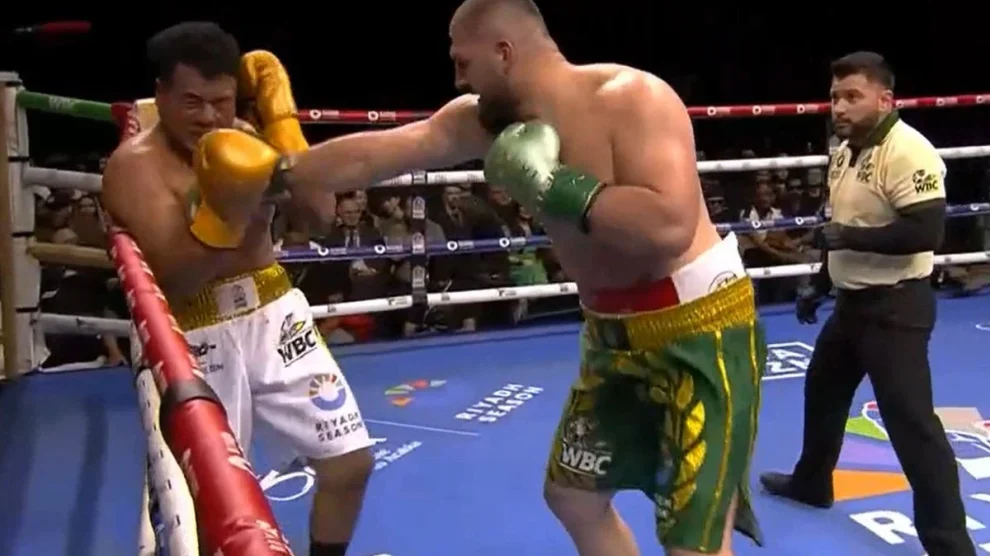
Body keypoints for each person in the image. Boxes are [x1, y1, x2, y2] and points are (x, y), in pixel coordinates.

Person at [199, 1, 766, 554]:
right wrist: (277, 175)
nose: (457, 78)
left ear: (504, 53)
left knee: (694, 537)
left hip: (699, 329)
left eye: (463, 61)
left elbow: (668, 227)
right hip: (612, 333)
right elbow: (383, 153)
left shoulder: (631, 97)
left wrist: (553, 185)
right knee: (574, 496)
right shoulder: (485, 122)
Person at [99, 22, 374, 556]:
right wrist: (236, 209)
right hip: (194, 333)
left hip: (274, 314)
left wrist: (283, 128)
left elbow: (320, 218)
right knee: (210, 505)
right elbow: (177, 278)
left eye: (221, 102)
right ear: (160, 94)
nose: (208, 117)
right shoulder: (135, 167)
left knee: (350, 464)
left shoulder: (248, 136)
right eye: (192, 102)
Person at [758, 51, 976, 555]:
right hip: (853, 303)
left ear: (885, 99)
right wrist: (821, 281)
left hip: (896, 308)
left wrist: (848, 239)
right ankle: (813, 482)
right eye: (835, 97)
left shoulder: (909, 152)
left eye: (852, 96)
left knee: (912, 426)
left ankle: (950, 545)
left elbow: (926, 232)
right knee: (823, 390)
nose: (839, 106)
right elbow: (841, 226)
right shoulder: (844, 151)